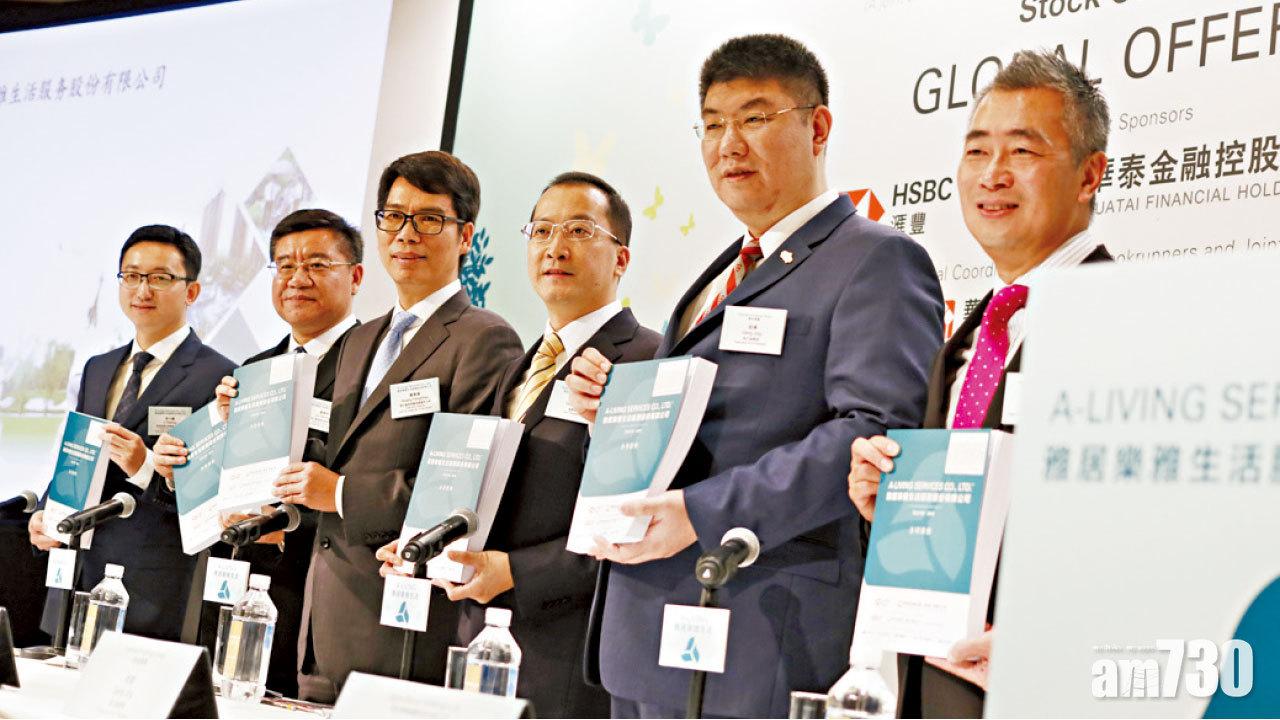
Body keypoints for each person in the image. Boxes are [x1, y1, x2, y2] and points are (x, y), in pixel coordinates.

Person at [565, 34, 944, 718]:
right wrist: (617, 414)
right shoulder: (718, 274)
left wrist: (702, 514)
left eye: (755, 118)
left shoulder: (876, 259)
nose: (728, 144)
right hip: (647, 629)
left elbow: (871, 434)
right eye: (712, 125)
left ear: (818, 128)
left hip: (757, 631)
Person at [846, 50, 1113, 718]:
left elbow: (1154, 536)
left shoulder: (1130, 321)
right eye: (976, 151)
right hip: (932, 686)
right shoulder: (965, 341)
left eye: (1022, 150)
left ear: (1090, 175)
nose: (992, 174)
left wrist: (1057, 645)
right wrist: (893, 506)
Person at [378, 172, 660, 717]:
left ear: (621, 259)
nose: (555, 247)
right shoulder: (520, 367)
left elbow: (634, 525)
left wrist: (517, 572)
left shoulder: (646, 360)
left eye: (579, 230)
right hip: (479, 647)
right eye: (542, 231)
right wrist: (424, 547)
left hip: (564, 657)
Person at [287, 151, 522, 702]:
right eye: (393, 216)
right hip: (323, 618)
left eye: (429, 219)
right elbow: (326, 453)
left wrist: (340, 493)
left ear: (465, 237)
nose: (406, 234)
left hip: (402, 625)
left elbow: (462, 490)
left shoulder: (484, 338)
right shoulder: (358, 339)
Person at [153, 208, 364, 698]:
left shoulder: (371, 365)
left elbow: (363, 480)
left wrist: (287, 525)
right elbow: (229, 480)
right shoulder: (254, 368)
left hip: (313, 595)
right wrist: (179, 467)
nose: (297, 279)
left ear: (355, 277)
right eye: (284, 266)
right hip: (232, 584)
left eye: (316, 264)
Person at [28, 225, 235, 641]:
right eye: (132, 276)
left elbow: (211, 497)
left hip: (151, 583)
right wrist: (46, 513)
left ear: (192, 291)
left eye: (159, 278)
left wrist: (144, 466)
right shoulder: (98, 367)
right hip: (76, 572)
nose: (143, 290)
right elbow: (78, 454)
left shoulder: (220, 375)